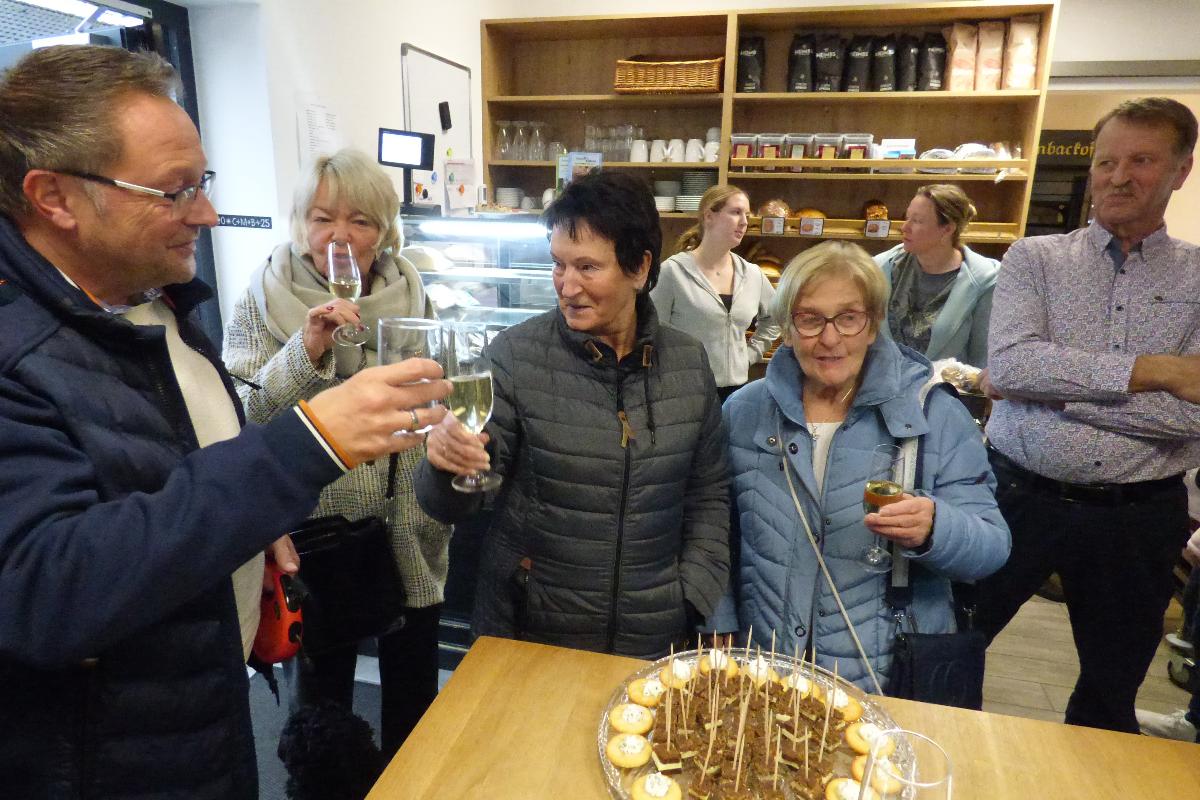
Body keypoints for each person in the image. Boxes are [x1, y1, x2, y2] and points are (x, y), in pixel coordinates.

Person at [0, 46, 448, 798]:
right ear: (54, 197)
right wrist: (302, 449)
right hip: (107, 758)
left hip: (203, 712)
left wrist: (253, 525)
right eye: (175, 190)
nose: (207, 214)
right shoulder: (21, 350)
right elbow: (44, 592)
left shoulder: (157, 305)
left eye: (202, 184)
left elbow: (186, 464)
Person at [415, 171, 730, 659]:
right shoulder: (515, 355)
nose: (567, 285)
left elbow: (708, 493)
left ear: (640, 268)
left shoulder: (687, 363)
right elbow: (461, 500)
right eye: (558, 265)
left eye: (587, 267)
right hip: (530, 634)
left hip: (653, 632)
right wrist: (445, 465)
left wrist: (692, 594)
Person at [977, 97, 1200, 733]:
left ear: (1181, 170)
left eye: (1141, 161)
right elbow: (1012, 367)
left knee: (1110, 690)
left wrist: (1051, 391)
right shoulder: (1034, 259)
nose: (1118, 177)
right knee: (950, 647)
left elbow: (1194, 419)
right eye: (1106, 162)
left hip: (1138, 516)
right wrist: (1157, 371)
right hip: (1013, 496)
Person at [222, 148, 448, 756]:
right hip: (317, 535)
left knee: (414, 704)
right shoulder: (263, 296)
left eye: (360, 220)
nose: (339, 235)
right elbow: (242, 414)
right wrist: (307, 351)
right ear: (301, 223)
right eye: (323, 218)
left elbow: (437, 392)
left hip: (407, 523)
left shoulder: (412, 292)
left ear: (384, 230)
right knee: (322, 716)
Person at [711, 240, 1010, 691]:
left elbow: (991, 547)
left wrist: (936, 526)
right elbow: (716, 532)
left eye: (848, 318)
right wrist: (719, 620)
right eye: (810, 319)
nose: (830, 338)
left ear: (873, 324)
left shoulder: (933, 415)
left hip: (881, 678)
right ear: (787, 329)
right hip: (768, 673)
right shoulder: (745, 412)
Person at [652, 185, 781, 401]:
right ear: (709, 216)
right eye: (736, 212)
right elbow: (651, 331)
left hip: (736, 393)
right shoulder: (673, 272)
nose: (744, 222)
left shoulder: (752, 274)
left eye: (747, 215)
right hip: (685, 392)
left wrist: (750, 355)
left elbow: (776, 317)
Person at [874, 184, 999, 367]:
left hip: (946, 384)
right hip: (886, 381)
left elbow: (982, 359)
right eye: (906, 218)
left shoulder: (985, 281)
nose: (904, 227)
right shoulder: (880, 267)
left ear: (947, 229)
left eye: (917, 221)